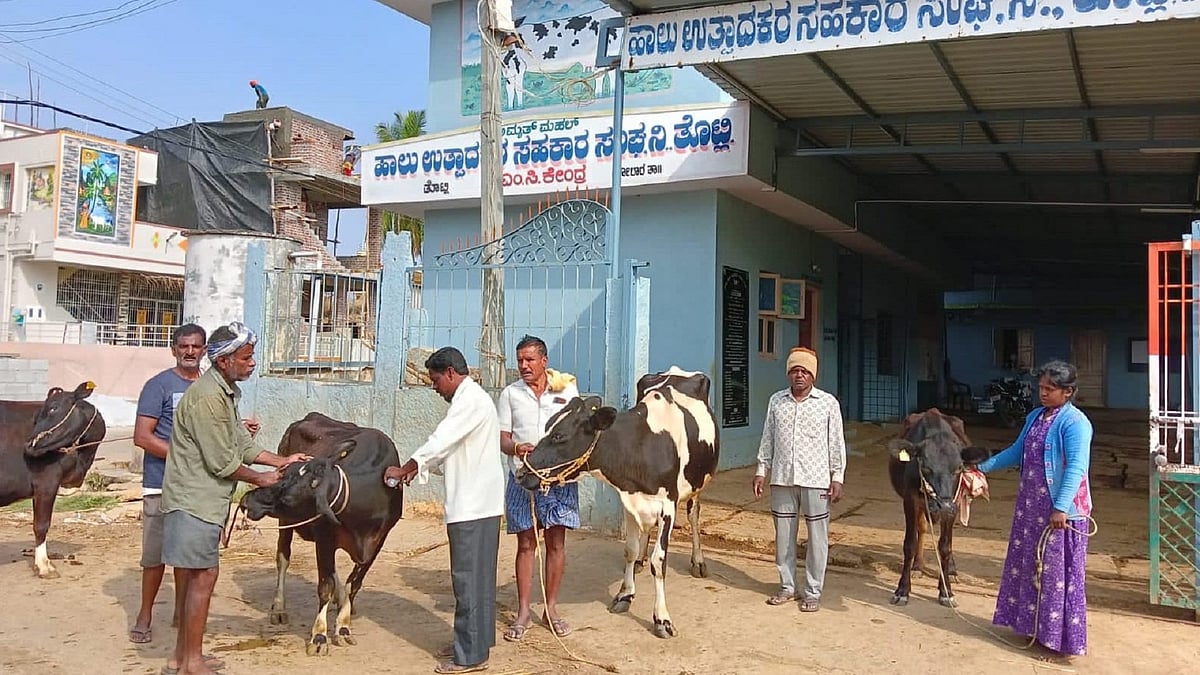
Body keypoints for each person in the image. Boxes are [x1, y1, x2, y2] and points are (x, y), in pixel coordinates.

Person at [161, 322, 307, 675]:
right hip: (194, 500)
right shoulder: (209, 397)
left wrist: (280, 459)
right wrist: (262, 478)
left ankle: (183, 657)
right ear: (224, 361)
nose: (252, 362)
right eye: (246, 356)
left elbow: (239, 444)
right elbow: (222, 461)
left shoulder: (223, 391)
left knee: (196, 577)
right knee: (202, 577)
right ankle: (190, 662)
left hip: (204, 500)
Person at [386, 347, 504, 675]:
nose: (435, 387)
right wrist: (417, 470)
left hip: (473, 507)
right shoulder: (474, 400)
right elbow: (449, 452)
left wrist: (407, 465)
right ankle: (474, 643)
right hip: (479, 504)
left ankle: (469, 657)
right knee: (478, 580)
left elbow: (441, 440)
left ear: (451, 373)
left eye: (436, 380)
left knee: (467, 580)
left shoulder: (469, 401)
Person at [975, 360, 1093, 658]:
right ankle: (1031, 627)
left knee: (1056, 574)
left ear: (1068, 392)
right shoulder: (1036, 417)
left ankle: (1057, 639)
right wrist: (982, 468)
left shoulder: (1075, 423)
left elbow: (1077, 467)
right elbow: (1017, 451)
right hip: (1030, 509)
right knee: (1031, 567)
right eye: (1041, 387)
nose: (1043, 393)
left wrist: (1061, 507)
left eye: (1050, 389)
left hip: (1059, 513)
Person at [496, 335, 580, 641]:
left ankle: (552, 608)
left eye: (530, 360)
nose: (523, 366)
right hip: (523, 478)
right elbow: (503, 438)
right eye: (519, 360)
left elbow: (577, 432)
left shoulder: (566, 389)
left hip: (560, 479)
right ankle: (523, 613)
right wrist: (517, 448)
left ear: (544, 360)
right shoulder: (510, 394)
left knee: (557, 543)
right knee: (526, 544)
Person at [129, 323, 206, 645]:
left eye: (196, 347)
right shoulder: (158, 386)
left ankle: (180, 612)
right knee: (155, 556)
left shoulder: (211, 388)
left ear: (204, 351)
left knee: (187, 555)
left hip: (199, 487)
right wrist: (184, 456)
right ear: (174, 349)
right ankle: (145, 615)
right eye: (184, 346)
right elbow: (142, 437)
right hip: (161, 484)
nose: (190, 352)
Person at [753, 347, 846, 612]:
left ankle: (813, 591)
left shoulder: (827, 404)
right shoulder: (776, 401)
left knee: (817, 538)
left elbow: (836, 443)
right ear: (788, 374)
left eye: (805, 371)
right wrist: (762, 469)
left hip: (817, 480)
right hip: (782, 478)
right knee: (784, 536)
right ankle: (787, 586)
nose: (799, 376)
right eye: (795, 370)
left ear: (813, 376)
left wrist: (836, 477)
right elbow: (768, 437)